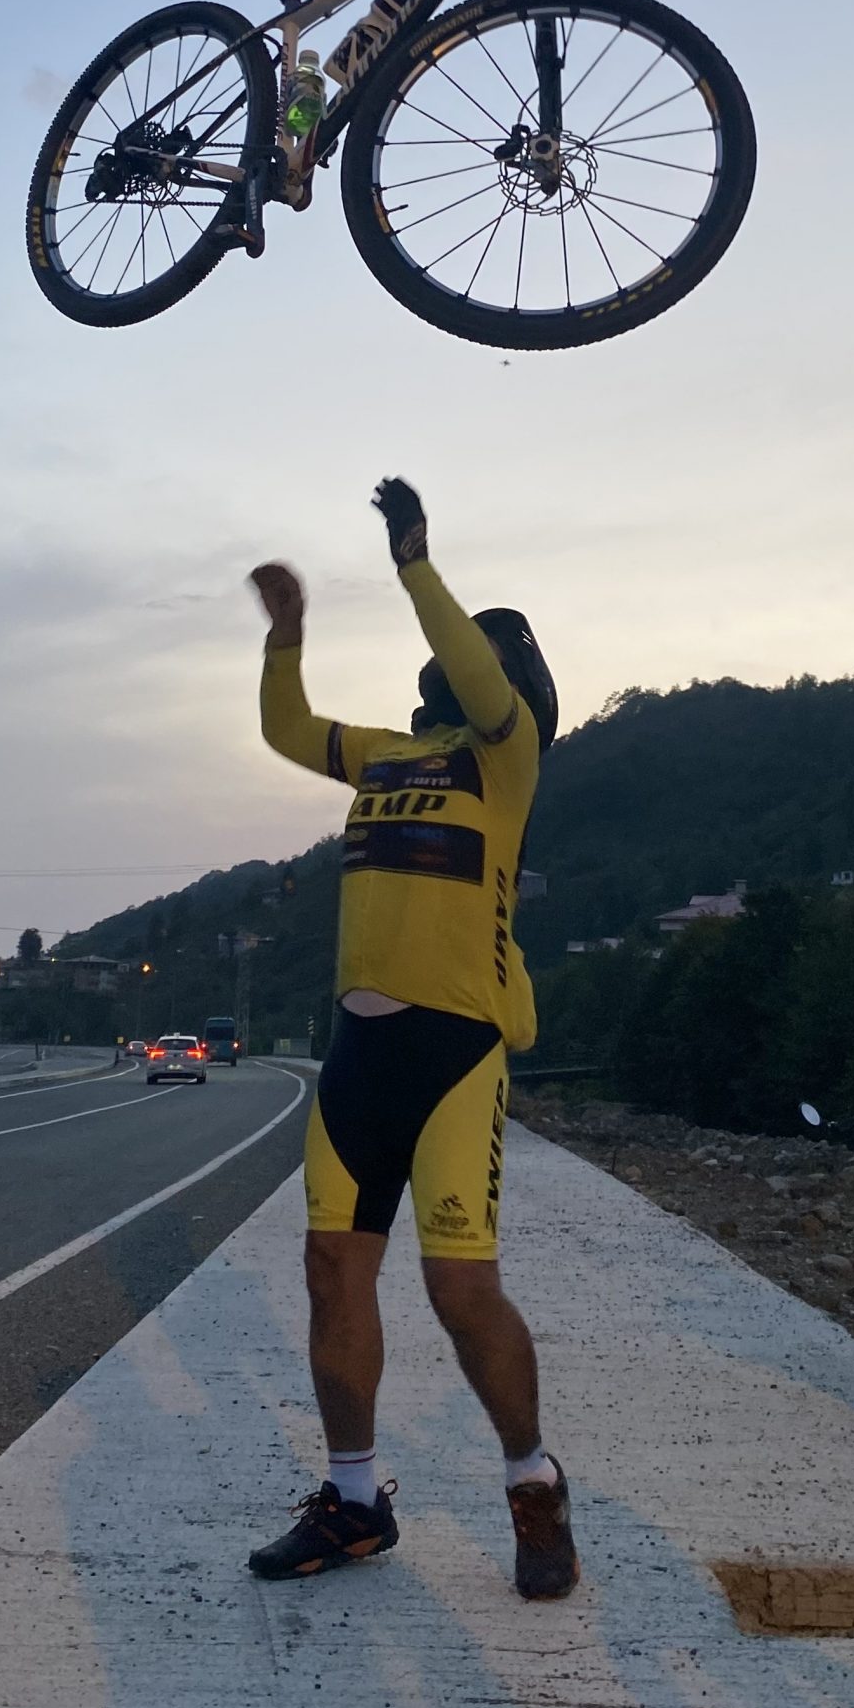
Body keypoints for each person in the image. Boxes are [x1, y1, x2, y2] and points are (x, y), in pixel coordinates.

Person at [246, 477, 578, 1600]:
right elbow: (286, 729)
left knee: (459, 1286)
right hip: (356, 1056)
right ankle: (353, 1502)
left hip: (454, 1055)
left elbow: (484, 683)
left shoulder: (506, 758)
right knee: (331, 1272)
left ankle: (533, 1483)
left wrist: (415, 565)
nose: (465, 665)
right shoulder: (385, 754)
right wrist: (287, 636)